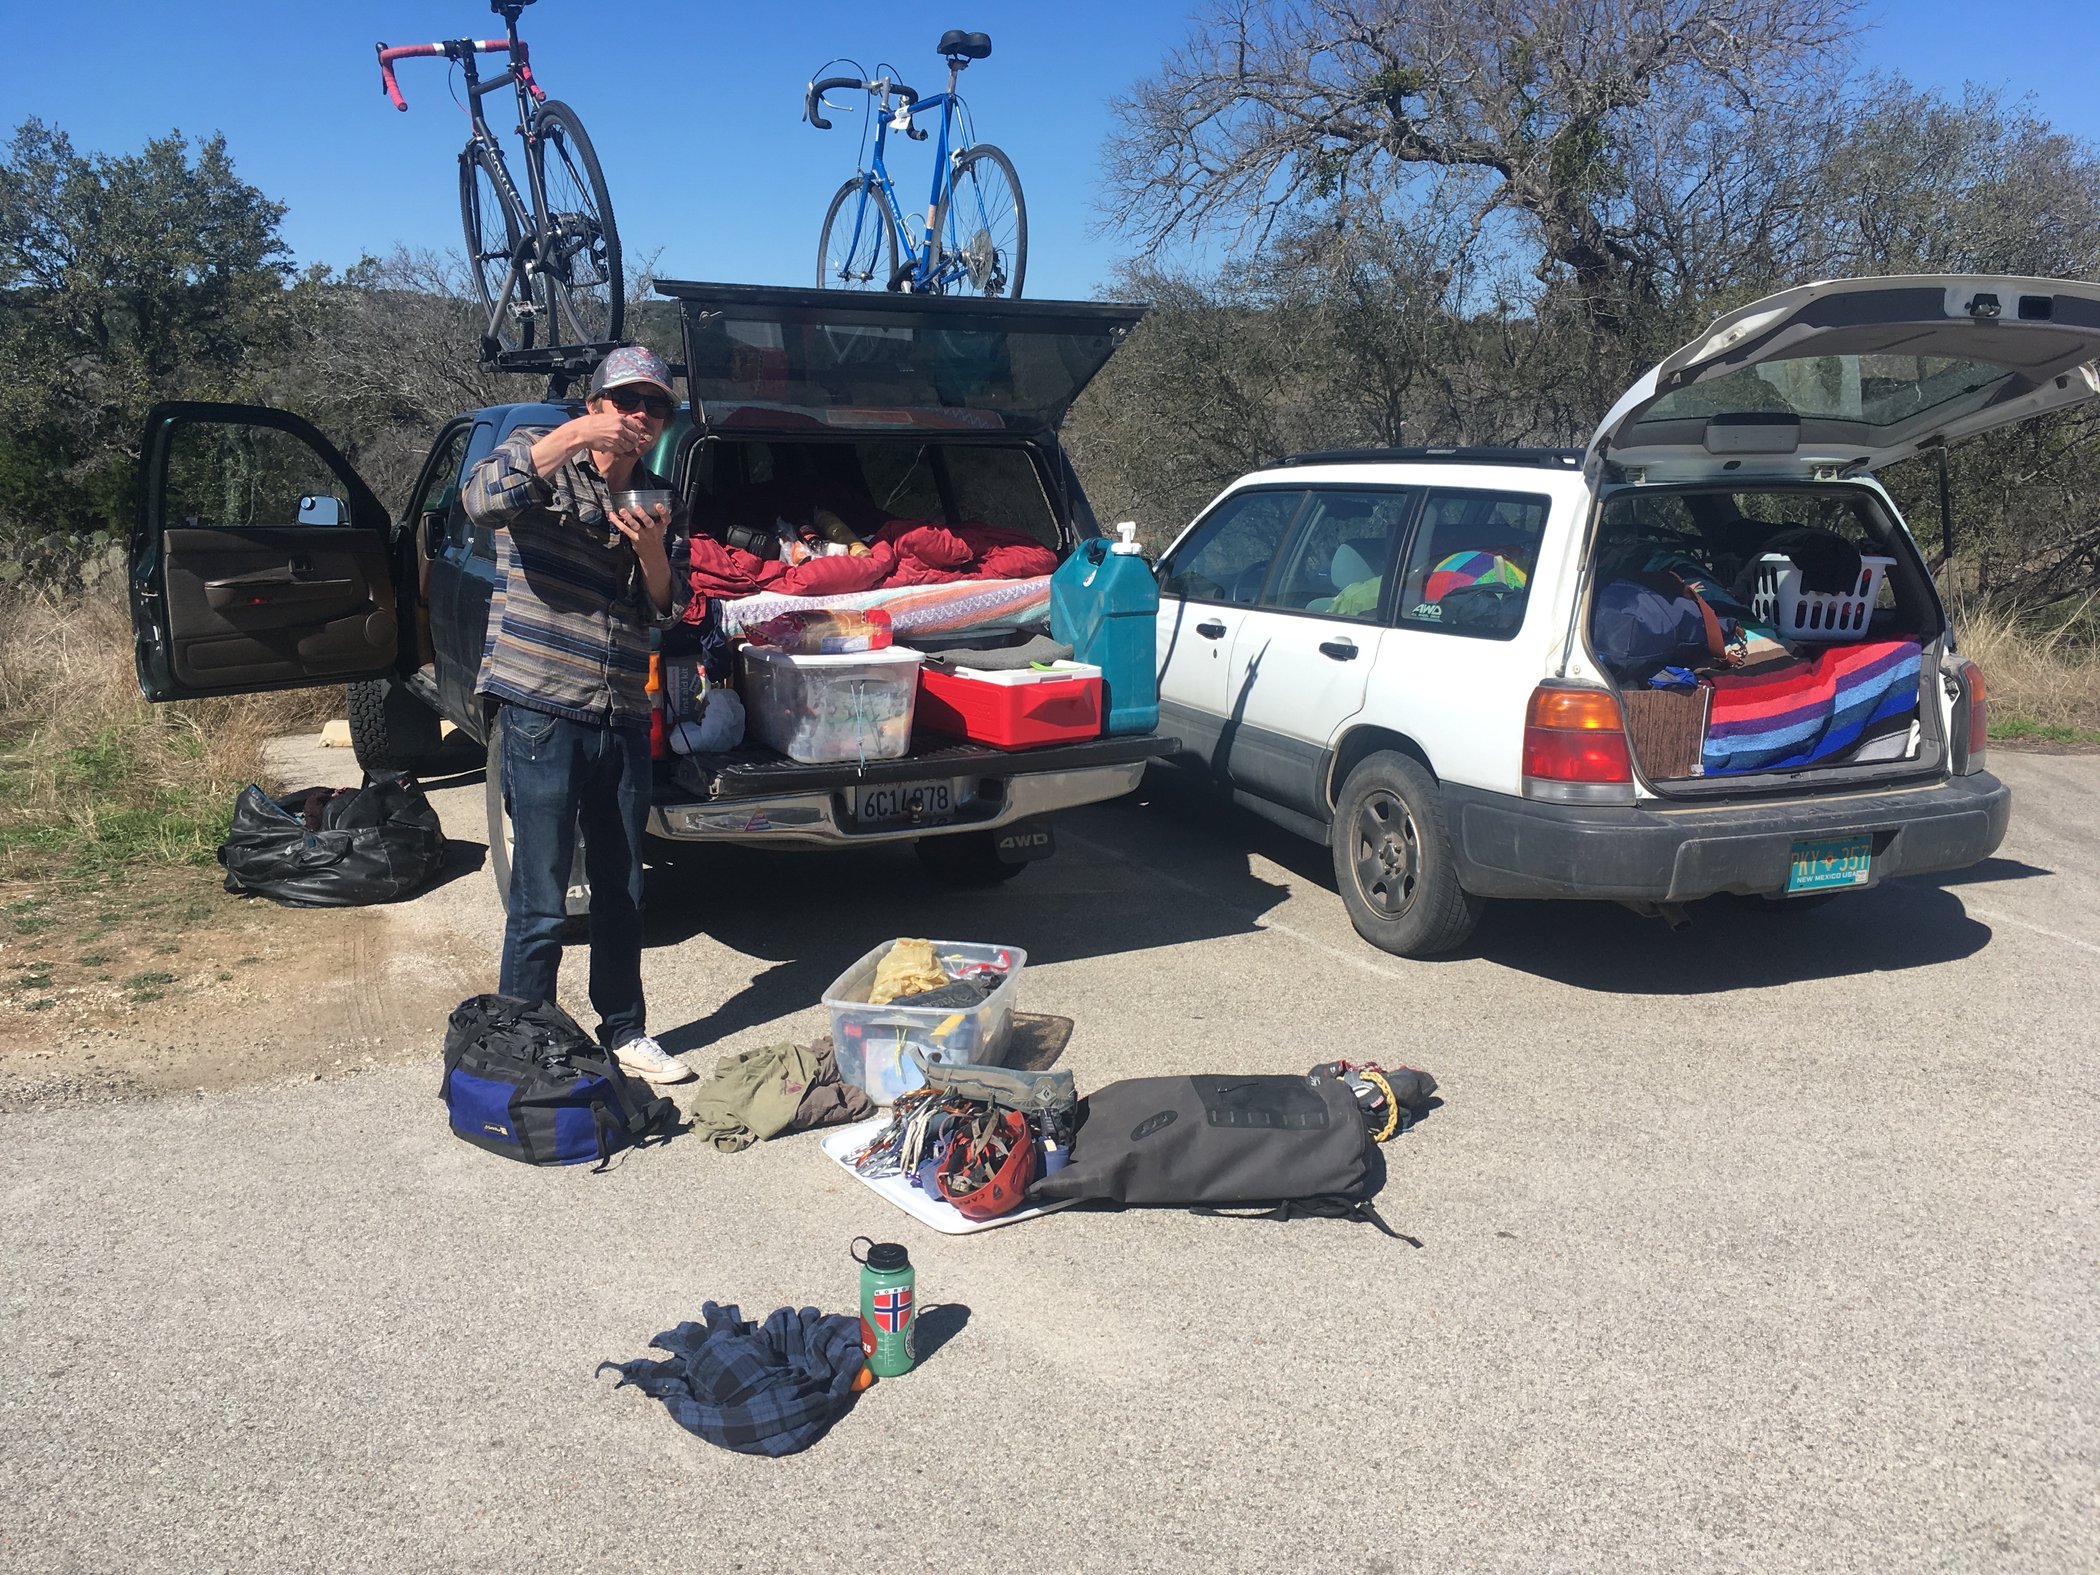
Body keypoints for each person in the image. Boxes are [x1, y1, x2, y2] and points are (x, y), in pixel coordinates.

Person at [462, 344, 695, 1085]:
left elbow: (669, 607)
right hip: (541, 705)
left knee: (623, 888)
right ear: (595, 404)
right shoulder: (541, 455)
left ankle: (625, 1031)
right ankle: (521, 1039)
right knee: (541, 894)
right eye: (626, 400)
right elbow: (480, 500)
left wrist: (651, 551)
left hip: (620, 710)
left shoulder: (658, 494)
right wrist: (573, 437)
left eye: (655, 406)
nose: (640, 415)